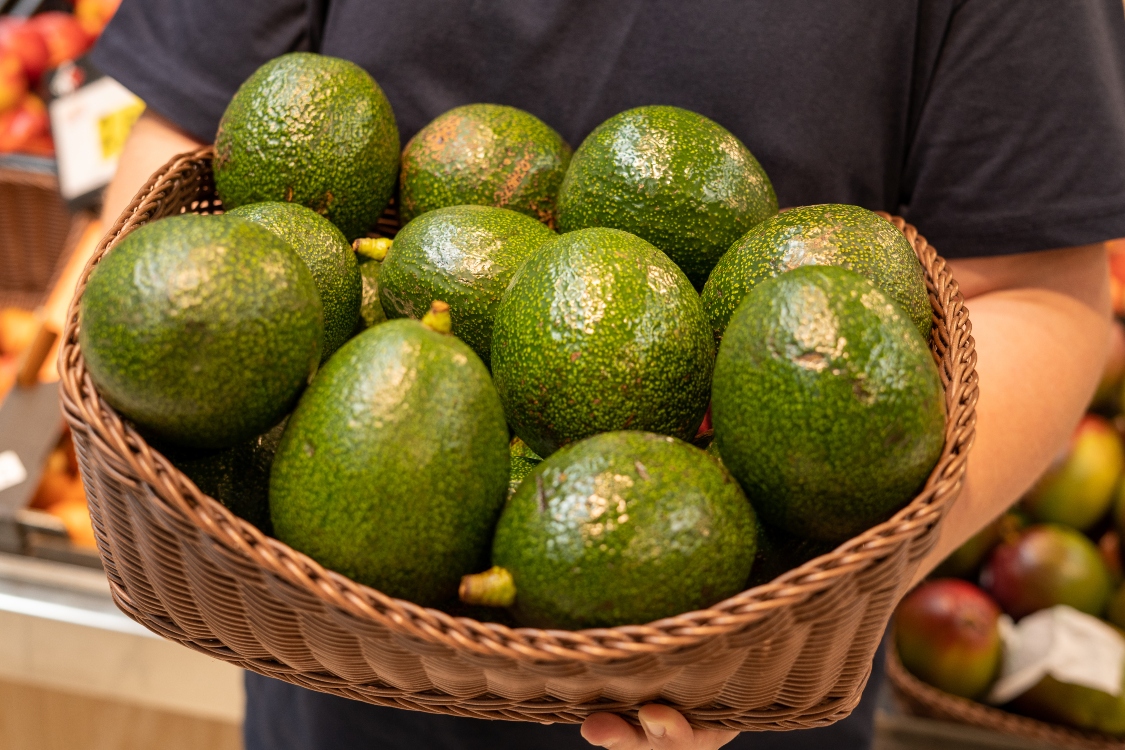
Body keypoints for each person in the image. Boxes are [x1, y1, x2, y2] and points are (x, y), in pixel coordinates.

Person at [90, 1, 1123, 748]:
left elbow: (1041, 283)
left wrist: (814, 596)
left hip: (741, 638)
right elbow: (189, 132)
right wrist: (160, 390)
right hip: (335, 630)